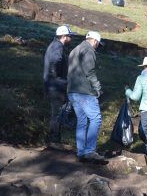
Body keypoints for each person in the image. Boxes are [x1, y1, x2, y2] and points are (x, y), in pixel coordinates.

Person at [67, 31, 105, 161]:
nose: (97, 47)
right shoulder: (89, 50)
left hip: (72, 91)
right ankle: (90, 151)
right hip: (85, 92)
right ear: (95, 41)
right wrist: (98, 88)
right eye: (98, 44)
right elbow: (90, 72)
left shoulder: (75, 50)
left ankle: (81, 152)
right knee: (96, 119)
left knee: (82, 121)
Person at [43, 25, 75, 144]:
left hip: (53, 85)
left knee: (56, 113)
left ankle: (54, 140)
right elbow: (54, 63)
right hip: (56, 87)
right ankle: (54, 141)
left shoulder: (54, 45)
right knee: (57, 114)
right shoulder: (57, 47)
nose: (71, 38)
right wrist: (61, 81)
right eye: (70, 36)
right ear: (64, 36)